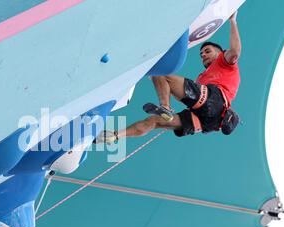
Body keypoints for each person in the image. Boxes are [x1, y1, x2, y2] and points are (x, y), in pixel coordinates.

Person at [96, 12, 242, 144]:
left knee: (161, 71)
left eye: (207, 51)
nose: (203, 55)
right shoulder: (202, 77)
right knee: (154, 121)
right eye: (201, 54)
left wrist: (233, 21)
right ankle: (116, 135)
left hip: (215, 101)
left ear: (219, 52)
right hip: (207, 122)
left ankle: (165, 107)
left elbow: (235, 51)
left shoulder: (224, 61)